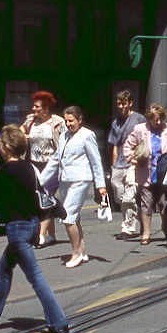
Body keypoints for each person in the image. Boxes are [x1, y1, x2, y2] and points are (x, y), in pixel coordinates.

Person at [0, 126, 69, 333]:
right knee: (3, 269)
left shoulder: (4, 172)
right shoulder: (29, 168)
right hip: (31, 226)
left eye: (0, 143)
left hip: (17, 231)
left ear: (8, 147)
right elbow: (38, 196)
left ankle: (58, 320)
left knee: (35, 277)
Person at [40, 106, 108, 269]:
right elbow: (55, 160)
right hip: (65, 180)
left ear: (79, 120)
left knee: (68, 216)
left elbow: (96, 161)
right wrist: (39, 181)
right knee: (74, 217)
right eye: (66, 121)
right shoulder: (63, 136)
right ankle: (82, 250)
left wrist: (101, 185)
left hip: (80, 179)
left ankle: (75, 253)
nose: (69, 124)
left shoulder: (87, 135)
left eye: (71, 121)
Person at [123, 104, 167, 246]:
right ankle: (146, 234)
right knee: (146, 204)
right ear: (149, 118)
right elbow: (127, 146)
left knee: (164, 204)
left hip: (164, 173)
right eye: (155, 119)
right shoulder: (139, 129)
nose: (158, 122)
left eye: (160, 118)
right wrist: (132, 158)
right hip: (145, 172)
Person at [22, 91, 66, 247]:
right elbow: (20, 131)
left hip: (51, 164)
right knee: (41, 198)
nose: (33, 108)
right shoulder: (31, 121)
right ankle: (52, 235)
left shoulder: (57, 122)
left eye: (37, 106)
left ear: (46, 108)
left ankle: (41, 235)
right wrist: (24, 137)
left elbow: (65, 142)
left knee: (45, 197)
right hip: (34, 164)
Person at [107, 91, 146, 239]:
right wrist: (113, 165)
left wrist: (139, 160)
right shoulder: (116, 123)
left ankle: (127, 228)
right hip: (119, 164)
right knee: (119, 196)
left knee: (129, 196)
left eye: (124, 103)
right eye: (118, 104)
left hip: (133, 163)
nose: (121, 106)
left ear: (130, 103)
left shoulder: (139, 119)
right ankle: (141, 216)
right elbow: (115, 146)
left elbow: (144, 141)